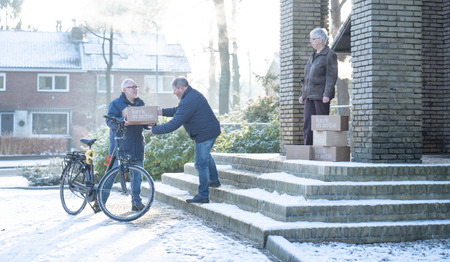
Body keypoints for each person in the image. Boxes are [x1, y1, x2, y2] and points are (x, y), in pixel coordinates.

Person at [147, 76, 221, 204]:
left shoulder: (189, 100)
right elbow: (179, 110)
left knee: (200, 164)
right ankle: (214, 180)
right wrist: (162, 112)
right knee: (206, 157)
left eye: (174, 89)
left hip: (205, 134)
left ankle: (203, 195)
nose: (173, 92)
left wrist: (155, 130)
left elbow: (174, 124)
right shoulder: (190, 96)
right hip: (210, 131)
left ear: (181, 88)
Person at [101, 78, 150, 212]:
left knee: (137, 176)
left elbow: (144, 122)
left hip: (137, 146)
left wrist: (150, 124)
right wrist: (123, 121)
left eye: (136, 87)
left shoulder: (140, 104)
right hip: (120, 147)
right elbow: (110, 122)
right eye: (132, 87)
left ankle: (136, 203)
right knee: (110, 176)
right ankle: (101, 201)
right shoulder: (116, 104)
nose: (135, 89)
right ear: (124, 90)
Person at [299, 28, 338, 145]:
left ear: (320, 40)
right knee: (308, 124)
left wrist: (327, 94)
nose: (310, 41)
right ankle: (308, 150)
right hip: (309, 96)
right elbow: (307, 77)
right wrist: (302, 94)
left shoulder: (330, 55)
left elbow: (331, 76)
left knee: (321, 125)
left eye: (313, 39)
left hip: (321, 96)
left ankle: (322, 150)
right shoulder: (312, 55)